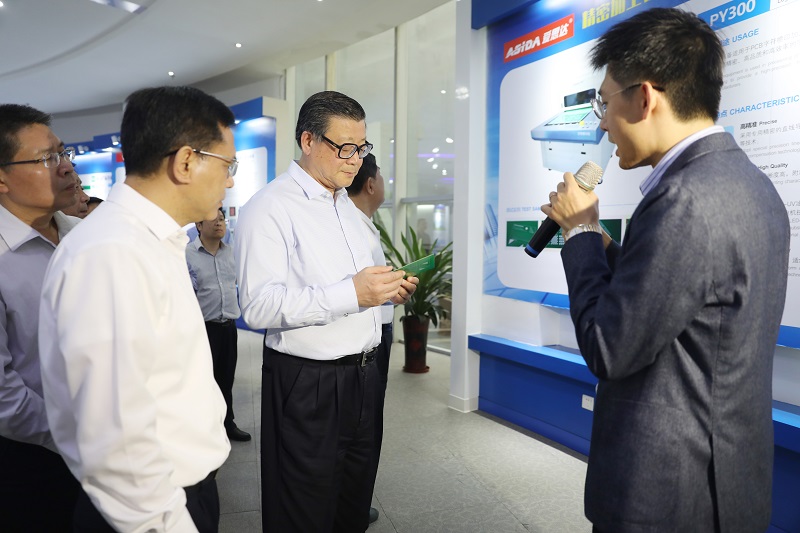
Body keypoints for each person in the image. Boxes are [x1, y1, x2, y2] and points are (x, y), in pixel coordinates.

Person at [541, 8, 790, 533]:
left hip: (669, 492)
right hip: (724, 478)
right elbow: (682, 294)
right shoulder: (749, 184)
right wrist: (602, 239)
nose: (601, 123)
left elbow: (609, 348)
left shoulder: (684, 199)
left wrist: (579, 235)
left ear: (646, 97)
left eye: (604, 102)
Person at [39, 86, 235, 533]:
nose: (229, 181)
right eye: (228, 165)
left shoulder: (151, 241)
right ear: (185, 162)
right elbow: (116, 443)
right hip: (151, 509)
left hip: (179, 490)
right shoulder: (112, 253)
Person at [235, 90, 418, 533]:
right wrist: (352, 294)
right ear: (308, 140)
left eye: (362, 148)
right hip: (308, 382)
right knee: (303, 508)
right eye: (345, 148)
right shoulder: (270, 207)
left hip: (365, 376)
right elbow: (258, 306)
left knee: (353, 501)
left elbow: (355, 288)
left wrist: (386, 292)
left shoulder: (347, 209)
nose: (356, 161)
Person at [0, 103, 82, 532]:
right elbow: (4, 395)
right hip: (31, 457)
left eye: (64, 152)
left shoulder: (85, 239)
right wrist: (73, 436)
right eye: (47, 158)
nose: (66, 167)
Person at [345, 153, 398, 524]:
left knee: (369, 423)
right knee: (364, 427)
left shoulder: (364, 223)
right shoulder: (351, 225)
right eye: (381, 176)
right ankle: (354, 508)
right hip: (366, 341)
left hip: (376, 332)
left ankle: (356, 503)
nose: (384, 184)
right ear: (370, 184)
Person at [186, 208, 251, 442]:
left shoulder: (231, 253)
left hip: (228, 327)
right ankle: (204, 429)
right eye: (213, 219)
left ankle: (227, 423)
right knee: (204, 381)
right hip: (204, 330)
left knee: (226, 378)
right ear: (198, 225)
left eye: (221, 219)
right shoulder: (187, 255)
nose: (219, 223)